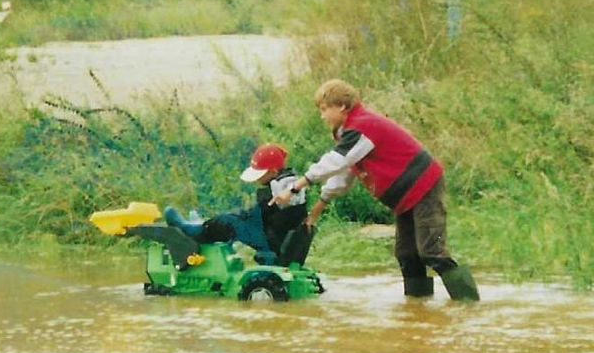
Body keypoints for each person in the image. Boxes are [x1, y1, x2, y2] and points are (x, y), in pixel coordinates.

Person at [271, 79, 479, 301]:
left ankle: (468, 306)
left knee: (432, 251)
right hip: (406, 196)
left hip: (424, 185)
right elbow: (342, 175)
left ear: (341, 106)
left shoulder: (362, 125)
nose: (322, 116)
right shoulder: (350, 133)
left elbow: (335, 162)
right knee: (406, 254)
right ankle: (418, 308)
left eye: (324, 110)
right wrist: (315, 211)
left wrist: (294, 188)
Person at [163, 143, 311, 266]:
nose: (256, 180)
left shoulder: (279, 190)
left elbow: (252, 216)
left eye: (259, 175)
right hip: (279, 237)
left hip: (271, 240)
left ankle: (197, 231)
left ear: (272, 172)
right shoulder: (294, 185)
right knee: (236, 217)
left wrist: (232, 218)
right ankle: (204, 224)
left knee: (228, 221)